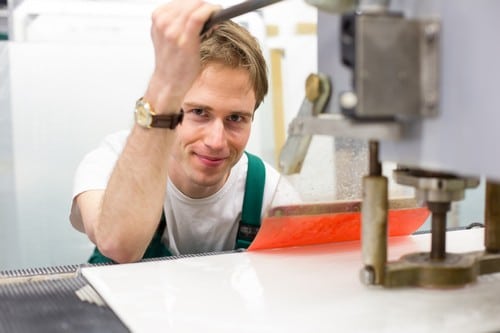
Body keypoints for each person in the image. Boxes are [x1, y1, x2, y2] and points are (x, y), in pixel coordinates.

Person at [69, 0, 301, 264]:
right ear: (171, 106)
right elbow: (118, 245)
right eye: (199, 113)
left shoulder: (271, 194)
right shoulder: (110, 162)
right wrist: (164, 83)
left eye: (235, 118)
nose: (216, 141)